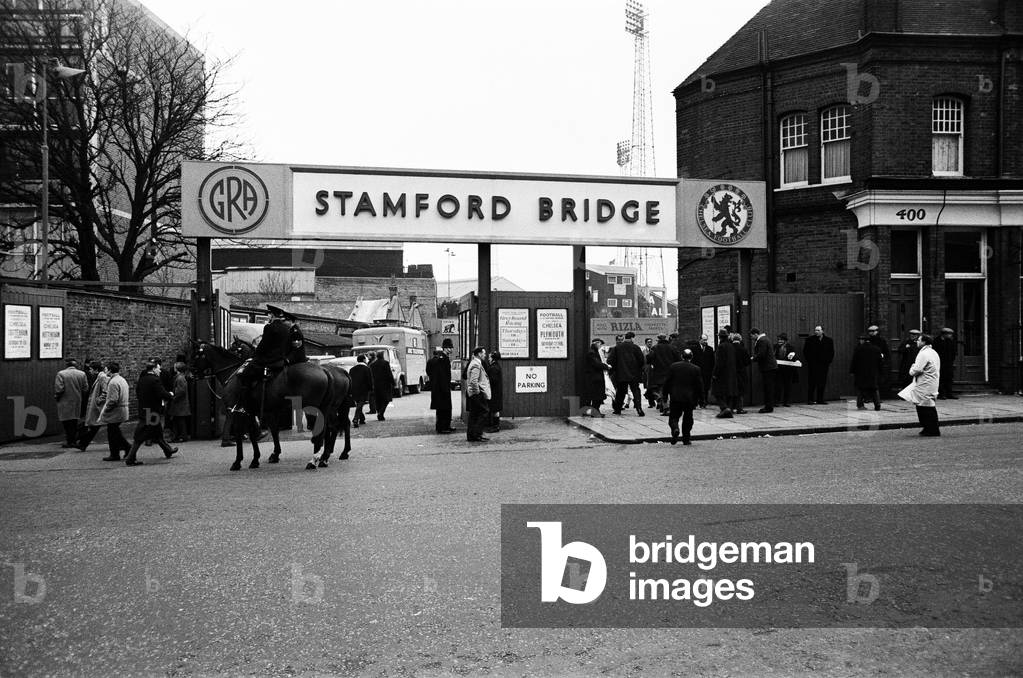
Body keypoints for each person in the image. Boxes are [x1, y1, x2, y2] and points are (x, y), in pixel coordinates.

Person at [124, 361, 178, 466]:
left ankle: (168, 450)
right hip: (152, 412)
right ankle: (130, 458)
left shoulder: (142, 379)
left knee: (157, 432)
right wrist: (170, 394)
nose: (159, 370)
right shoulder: (155, 380)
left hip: (144, 410)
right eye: (158, 369)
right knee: (140, 436)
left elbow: (138, 393)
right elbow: (161, 393)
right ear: (153, 369)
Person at [900, 333, 941, 436]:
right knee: (926, 406)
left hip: (924, 384)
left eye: (919, 340)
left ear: (924, 342)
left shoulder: (923, 354)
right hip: (930, 383)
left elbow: (916, 369)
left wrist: (912, 368)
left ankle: (931, 429)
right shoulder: (933, 352)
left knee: (925, 407)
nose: (917, 342)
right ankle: (928, 428)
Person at [663, 349, 704, 445]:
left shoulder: (674, 366)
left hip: (676, 396)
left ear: (682, 356)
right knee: (688, 418)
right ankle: (686, 438)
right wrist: (702, 399)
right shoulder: (696, 368)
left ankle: (675, 428)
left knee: (673, 416)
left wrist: (665, 395)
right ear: (691, 357)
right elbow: (699, 385)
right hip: (689, 398)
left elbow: (667, 382)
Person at [97, 362, 131, 461]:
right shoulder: (122, 379)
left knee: (113, 433)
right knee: (114, 431)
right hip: (123, 409)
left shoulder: (113, 382)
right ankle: (122, 450)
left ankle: (118, 452)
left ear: (110, 370)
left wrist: (106, 410)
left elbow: (113, 400)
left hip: (116, 411)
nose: (105, 371)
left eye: (106, 369)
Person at [607, 331, 646, 416]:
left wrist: (617, 368)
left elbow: (609, 360)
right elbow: (642, 361)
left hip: (621, 374)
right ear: (632, 338)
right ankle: (639, 409)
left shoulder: (617, 348)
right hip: (634, 374)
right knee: (636, 391)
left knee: (621, 392)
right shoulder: (636, 347)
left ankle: (617, 409)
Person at [54, 358, 89, 448]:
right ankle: (73, 440)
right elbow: (85, 388)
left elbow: (59, 389)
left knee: (66, 422)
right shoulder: (82, 374)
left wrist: (56, 396)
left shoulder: (61, 374)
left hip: (64, 401)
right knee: (74, 421)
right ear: (75, 365)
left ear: (67, 365)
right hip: (77, 400)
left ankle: (70, 441)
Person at [76, 360, 109, 451]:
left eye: (91, 369)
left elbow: (105, 391)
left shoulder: (102, 377)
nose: (90, 371)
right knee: (94, 426)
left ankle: (81, 442)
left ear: (96, 370)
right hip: (95, 407)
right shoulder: (99, 376)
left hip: (97, 407)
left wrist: (98, 400)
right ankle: (82, 443)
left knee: (95, 426)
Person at [426, 343, 455, 433]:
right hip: (442, 388)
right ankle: (443, 427)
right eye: (450, 348)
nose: (451, 350)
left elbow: (429, 372)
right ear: (445, 348)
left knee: (444, 408)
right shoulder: (443, 359)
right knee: (443, 408)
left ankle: (445, 426)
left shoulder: (441, 358)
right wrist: (445, 387)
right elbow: (442, 375)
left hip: (440, 387)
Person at [646, 334, 679, 414]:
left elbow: (649, 359)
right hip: (671, 372)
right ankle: (672, 406)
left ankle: (665, 407)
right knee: (672, 390)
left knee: (662, 390)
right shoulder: (672, 347)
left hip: (659, 372)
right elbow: (678, 359)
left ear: (658, 339)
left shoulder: (655, 348)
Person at [850, 334, 884, 410]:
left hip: (861, 373)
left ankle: (860, 405)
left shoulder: (858, 349)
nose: (860, 341)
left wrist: (852, 371)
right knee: (874, 389)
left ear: (863, 340)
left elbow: (854, 361)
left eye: (861, 340)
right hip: (873, 373)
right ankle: (877, 405)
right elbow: (880, 362)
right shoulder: (876, 349)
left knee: (860, 389)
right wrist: (881, 372)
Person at [465, 346, 492, 442]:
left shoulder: (474, 363)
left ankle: (471, 435)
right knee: (484, 411)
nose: (485, 355)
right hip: (476, 393)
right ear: (479, 354)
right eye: (484, 353)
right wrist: (478, 392)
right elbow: (473, 381)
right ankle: (477, 434)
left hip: (472, 393)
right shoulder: (476, 364)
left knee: (474, 414)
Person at [803, 325, 834, 404]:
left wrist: (828, 361)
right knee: (812, 383)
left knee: (822, 382)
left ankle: (820, 399)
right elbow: (805, 351)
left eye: (818, 330)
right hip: (813, 365)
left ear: (822, 331)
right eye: (815, 330)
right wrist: (810, 361)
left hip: (823, 365)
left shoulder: (829, 340)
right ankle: (810, 399)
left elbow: (831, 352)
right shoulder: (810, 340)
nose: (816, 332)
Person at [749, 328, 777, 413]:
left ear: (755, 334)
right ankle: (769, 406)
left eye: (751, 336)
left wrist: (753, 358)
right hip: (770, 367)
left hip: (768, 368)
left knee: (768, 388)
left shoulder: (762, 341)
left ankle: (768, 407)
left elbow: (761, 354)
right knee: (769, 387)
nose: (751, 338)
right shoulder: (765, 339)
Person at [711, 329, 738, 418]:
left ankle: (724, 408)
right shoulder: (731, 346)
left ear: (720, 337)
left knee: (717, 392)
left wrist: (715, 373)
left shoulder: (721, 346)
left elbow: (719, 362)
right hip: (731, 374)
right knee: (729, 392)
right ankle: (728, 410)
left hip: (722, 374)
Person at [582, 338, 610, 416]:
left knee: (594, 396)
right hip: (594, 377)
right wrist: (606, 366)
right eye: (600, 344)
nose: (600, 346)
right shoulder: (592, 353)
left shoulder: (593, 351)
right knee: (596, 396)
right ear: (596, 343)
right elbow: (596, 364)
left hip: (594, 377)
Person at [865, 324, 891, 397]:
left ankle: (878, 396)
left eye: (873, 331)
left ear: (877, 331)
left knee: (878, 380)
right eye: (870, 331)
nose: (871, 333)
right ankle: (869, 396)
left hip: (878, 363)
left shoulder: (881, 340)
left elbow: (886, 352)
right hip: (869, 363)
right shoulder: (867, 340)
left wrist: (883, 359)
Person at [168, 362, 191, 442]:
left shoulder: (180, 378)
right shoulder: (180, 377)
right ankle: (179, 436)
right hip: (180, 403)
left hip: (179, 403)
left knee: (179, 420)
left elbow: (181, 391)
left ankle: (180, 436)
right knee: (179, 420)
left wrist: (174, 396)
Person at [773, 333, 798, 407]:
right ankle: (776, 401)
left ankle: (786, 402)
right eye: (779, 339)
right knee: (778, 386)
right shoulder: (775, 347)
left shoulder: (790, 347)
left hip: (788, 369)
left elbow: (794, 356)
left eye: (781, 340)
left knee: (787, 386)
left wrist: (794, 358)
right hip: (778, 369)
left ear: (785, 340)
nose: (779, 341)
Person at [369, 350, 395, 420]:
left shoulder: (372, 364)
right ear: (382, 356)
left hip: (375, 385)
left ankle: (379, 413)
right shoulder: (385, 363)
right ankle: (381, 413)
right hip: (385, 384)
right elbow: (389, 374)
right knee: (386, 400)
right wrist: (393, 382)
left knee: (378, 400)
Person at [349, 354, 373, 427]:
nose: (366, 360)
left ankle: (362, 418)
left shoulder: (352, 369)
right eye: (365, 359)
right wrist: (371, 388)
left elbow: (350, 380)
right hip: (363, 389)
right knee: (360, 404)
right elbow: (369, 380)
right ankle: (356, 419)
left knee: (358, 404)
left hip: (354, 389)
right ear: (363, 360)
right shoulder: (367, 369)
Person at [934, 327, 958, 399]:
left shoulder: (950, 341)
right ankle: (942, 394)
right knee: (941, 379)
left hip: (949, 363)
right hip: (940, 363)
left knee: (949, 378)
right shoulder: (937, 341)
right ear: (944, 334)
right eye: (949, 334)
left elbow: (953, 351)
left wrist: (952, 360)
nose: (951, 336)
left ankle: (949, 393)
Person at [692, 335, 715, 408]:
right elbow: (693, 361)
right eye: (704, 340)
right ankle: (695, 402)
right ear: (700, 340)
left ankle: (704, 402)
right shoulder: (694, 349)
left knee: (706, 388)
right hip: (697, 372)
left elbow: (712, 361)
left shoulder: (710, 349)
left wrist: (712, 371)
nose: (705, 341)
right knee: (696, 387)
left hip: (707, 372)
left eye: (706, 340)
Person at [731, 333, 750, 414]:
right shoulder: (743, 349)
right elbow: (747, 362)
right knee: (740, 392)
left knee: (731, 391)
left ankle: (730, 408)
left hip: (731, 372)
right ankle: (740, 408)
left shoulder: (730, 348)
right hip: (741, 373)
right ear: (740, 340)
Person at [485, 351, 503, 433]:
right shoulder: (496, 366)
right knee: (495, 409)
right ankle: (495, 425)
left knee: (495, 409)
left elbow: (493, 380)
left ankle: (496, 426)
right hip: (496, 391)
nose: (488, 359)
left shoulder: (493, 368)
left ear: (492, 358)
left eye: (489, 357)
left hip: (494, 392)